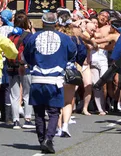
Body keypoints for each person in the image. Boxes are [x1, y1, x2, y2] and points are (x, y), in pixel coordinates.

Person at [23, 11, 77, 154]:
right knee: (54, 112)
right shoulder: (65, 38)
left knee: (39, 112)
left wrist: (33, 64)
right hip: (55, 79)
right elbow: (73, 53)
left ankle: (42, 140)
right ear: (56, 23)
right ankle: (49, 139)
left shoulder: (33, 37)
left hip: (37, 77)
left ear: (42, 22)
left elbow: (27, 55)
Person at [7, 12, 36, 129]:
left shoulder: (10, 35)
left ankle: (15, 120)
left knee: (14, 95)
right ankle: (27, 119)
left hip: (11, 66)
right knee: (27, 93)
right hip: (25, 66)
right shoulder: (29, 36)